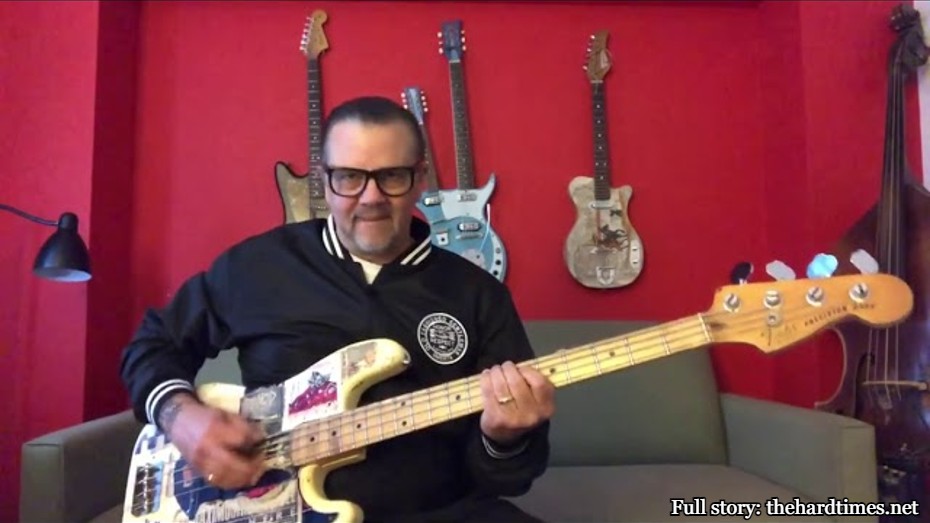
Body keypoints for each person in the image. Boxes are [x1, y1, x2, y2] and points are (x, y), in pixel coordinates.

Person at [120, 95, 555, 523]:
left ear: (420, 178)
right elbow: (153, 344)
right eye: (349, 177)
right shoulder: (261, 265)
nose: (371, 197)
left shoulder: (478, 294)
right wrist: (181, 416)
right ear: (324, 180)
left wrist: (505, 438)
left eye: (392, 175)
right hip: (272, 511)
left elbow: (510, 476)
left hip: (440, 510)